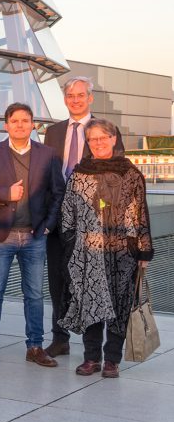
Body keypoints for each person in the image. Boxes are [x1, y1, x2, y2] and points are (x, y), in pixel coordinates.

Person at [60, 119, 151, 379]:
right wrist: (70, 241)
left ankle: (112, 359)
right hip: (88, 249)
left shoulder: (130, 173)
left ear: (113, 139)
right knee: (90, 302)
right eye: (93, 139)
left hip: (123, 252)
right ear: (88, 143)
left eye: (103, 138)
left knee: (119, 304)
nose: (98, 143)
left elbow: (140, 213)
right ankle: (91, 358)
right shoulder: (80, 173)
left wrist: (143, 251)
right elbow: (68, 210)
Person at [0, 103, 64, 369]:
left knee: (35, 295)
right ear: (6, 125)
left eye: (25, 121)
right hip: (0, 236)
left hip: (35, 235)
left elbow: (58, 192)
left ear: (33, 125)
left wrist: (48, 226)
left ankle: (35, 347)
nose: (20, 125)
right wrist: (4, 194)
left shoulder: (48, 154)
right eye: (14, 121)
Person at [43, 77, 125, 357]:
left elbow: (117, 174)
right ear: (65, 99)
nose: (75, 99)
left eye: (80, 95)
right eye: (70, 95)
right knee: (58, 278)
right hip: (58, 218)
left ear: (90, 98)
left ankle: (94, 349)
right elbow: (48, 175)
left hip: (93, 222)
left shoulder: (104, 130)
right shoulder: (52, 132)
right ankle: (60, 338)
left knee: (94, 281)